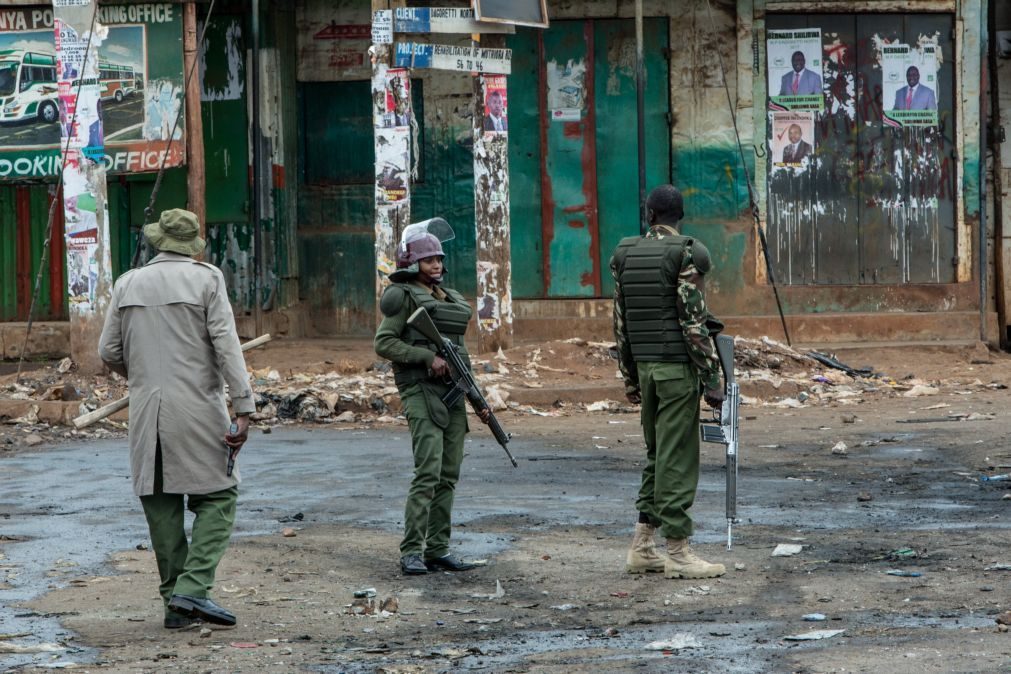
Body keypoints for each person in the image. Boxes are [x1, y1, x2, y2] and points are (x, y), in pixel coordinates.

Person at [98, 209, 253, 629]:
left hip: (146, 412)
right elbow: (227, 345)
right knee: (219, 497)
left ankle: (175, 606)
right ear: (192, 244)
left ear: (157, 241)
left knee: (162, 506)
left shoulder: (126, 283)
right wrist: (244, 406)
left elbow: (108, 351)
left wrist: (145, 377)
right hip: (198, 409)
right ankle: (194, 588)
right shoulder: (207, 279)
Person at [609, 185, 726, 580]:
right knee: (677, 458)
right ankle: (677, 550)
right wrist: (712, 376)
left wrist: (629, 377)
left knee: (658, 456)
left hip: (644, 368)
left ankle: (642, 546)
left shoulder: (625, 253)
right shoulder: (688, 252)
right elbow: (692, 321)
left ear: (649, 214)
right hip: (677, 370)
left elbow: (621, 324)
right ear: (680, 216)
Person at [374, 219, 491, 576]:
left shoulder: (448, 298)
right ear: (412, 264)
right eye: (428, 261)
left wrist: (479, 398)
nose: (436, 265)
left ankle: (437, 549)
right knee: (428, 471)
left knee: (448, 473)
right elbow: (384, 343)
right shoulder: (403, 296)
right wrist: (427, 358)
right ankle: (411, 550)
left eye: (439, 259)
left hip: (453, 394)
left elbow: (461, 355)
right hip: (421, 391)